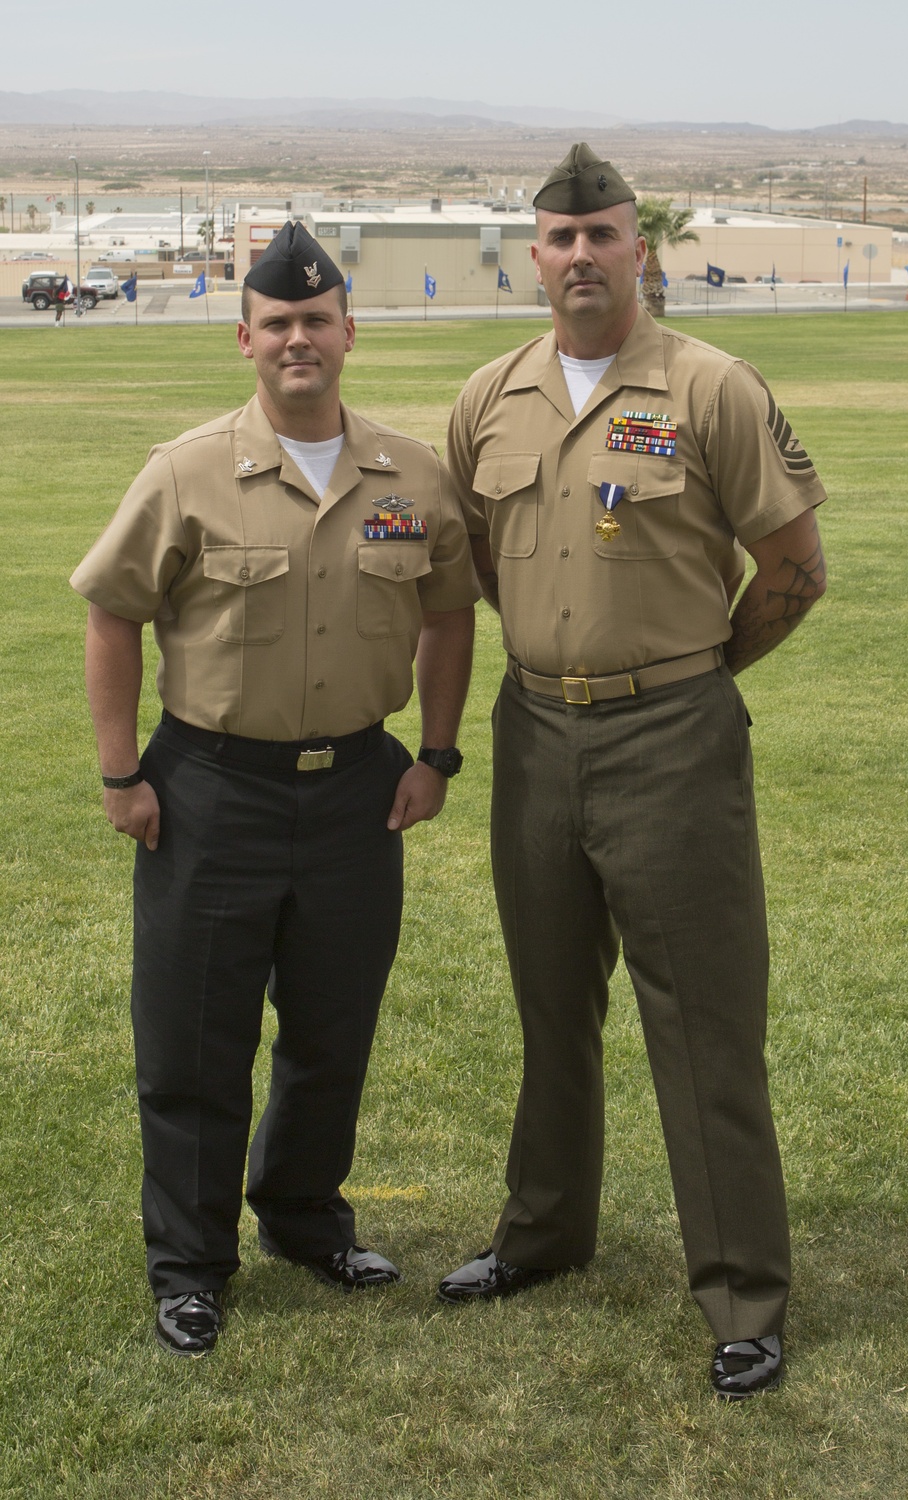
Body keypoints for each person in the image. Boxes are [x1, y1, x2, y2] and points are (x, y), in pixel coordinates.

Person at [437, 145, 827, 1400]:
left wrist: (694, 675)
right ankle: (543, 1236)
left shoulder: (710, 388)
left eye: (604, 233)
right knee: (553, 1009)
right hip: (534, 735)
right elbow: (486, 566)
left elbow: (795, 571)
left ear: (638, 247)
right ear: (533, 255)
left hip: (672, 739)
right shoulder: (489, 397)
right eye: (560, 238)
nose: (582, 256)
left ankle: (741, 1294)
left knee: (704, 1025)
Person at [71, 222, 478, 1358]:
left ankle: (305, 1220)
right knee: (194, 1040)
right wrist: (121, 775)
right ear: (244, 337)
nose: (300, 339)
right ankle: (190, 1264)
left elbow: (450, 614)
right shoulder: (186, 470)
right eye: (278, 324)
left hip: (356, 791)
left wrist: (435, 755)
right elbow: (113, 615)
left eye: (319, 320)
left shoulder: (412, 476)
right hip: (210, 790)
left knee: (331, 1029)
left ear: (350, 332)